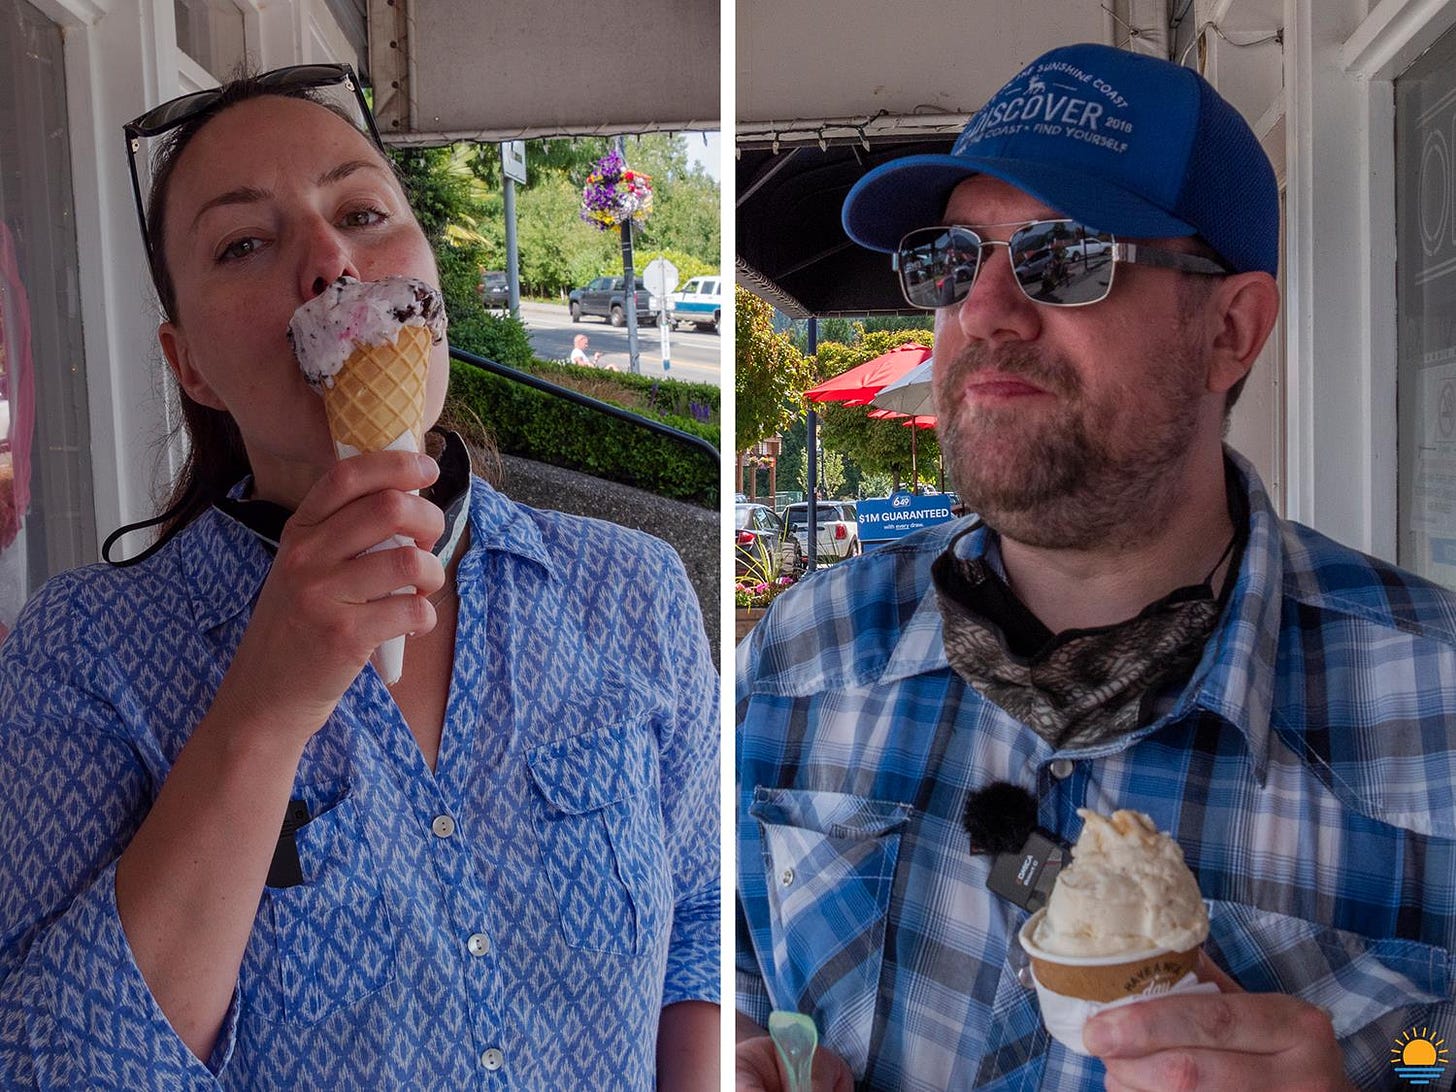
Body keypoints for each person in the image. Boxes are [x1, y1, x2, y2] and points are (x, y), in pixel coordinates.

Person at [736, 41, 1456, 1092]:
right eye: (950, 261)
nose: (981, 314)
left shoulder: (1433, 708)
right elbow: (729, 960)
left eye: (1064, 255)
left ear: (1230, 330)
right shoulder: (802, 654)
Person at [0, 65, 719, 1089]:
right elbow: (53, 1068)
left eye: (363, 211)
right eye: (245, 243)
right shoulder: (85, 651)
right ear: (188, 364)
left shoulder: (628, 592)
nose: (332, 259)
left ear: (427, 287)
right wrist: (261, 713)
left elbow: (695, 917)